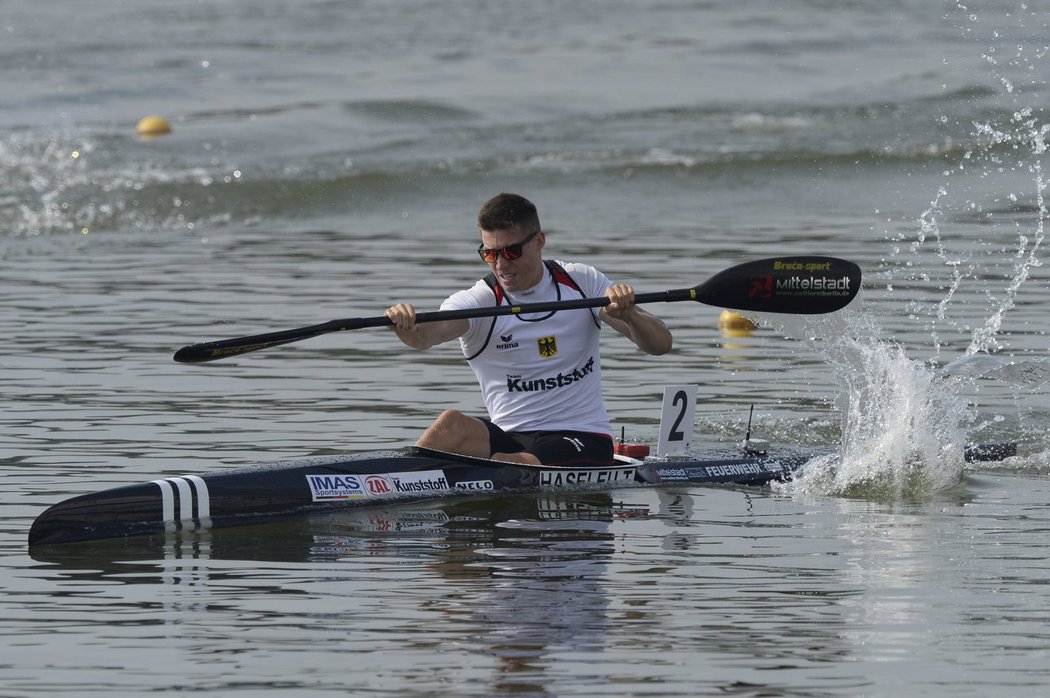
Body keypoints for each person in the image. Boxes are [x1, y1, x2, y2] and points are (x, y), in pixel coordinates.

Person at [385, 193, 672, 466]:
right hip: (512, 438)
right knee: (451, 424)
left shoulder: (581, 283)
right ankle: (400, 478)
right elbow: (426, 336)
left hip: (583, 438)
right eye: (489, 254)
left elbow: (661, 346)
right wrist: (406, 324)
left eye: (511, 252)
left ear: (538, 241)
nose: (501, 264)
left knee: (504, 464)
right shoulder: (480, 301)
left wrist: (631, 314)